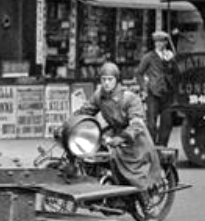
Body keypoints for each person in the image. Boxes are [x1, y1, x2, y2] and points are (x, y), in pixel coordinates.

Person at [74, 61, 164, 201]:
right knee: (93, 153)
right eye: (104, 79)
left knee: (135, 172)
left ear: (116, 80)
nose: (107, 83)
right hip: (113, 134)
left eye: (110, 79)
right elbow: (85, 111)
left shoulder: (129, 98)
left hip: (135, 140)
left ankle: (147, 204)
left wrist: (122, 138)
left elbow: (137, 124)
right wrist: (70, 123)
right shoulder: (99, 95)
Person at [135, 30, 177, 147]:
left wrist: (172, 61)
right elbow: (139, 73)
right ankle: (151, 147)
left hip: (167, 92)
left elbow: (175, 72)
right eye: (157, 42)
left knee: (167, 122)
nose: (159, 44)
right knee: (151, 123)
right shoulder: (149, 57)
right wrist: (144, 87)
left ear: (165, 43)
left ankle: (162, 146)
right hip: (153, 92)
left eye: (161, 42)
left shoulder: (170, 56)